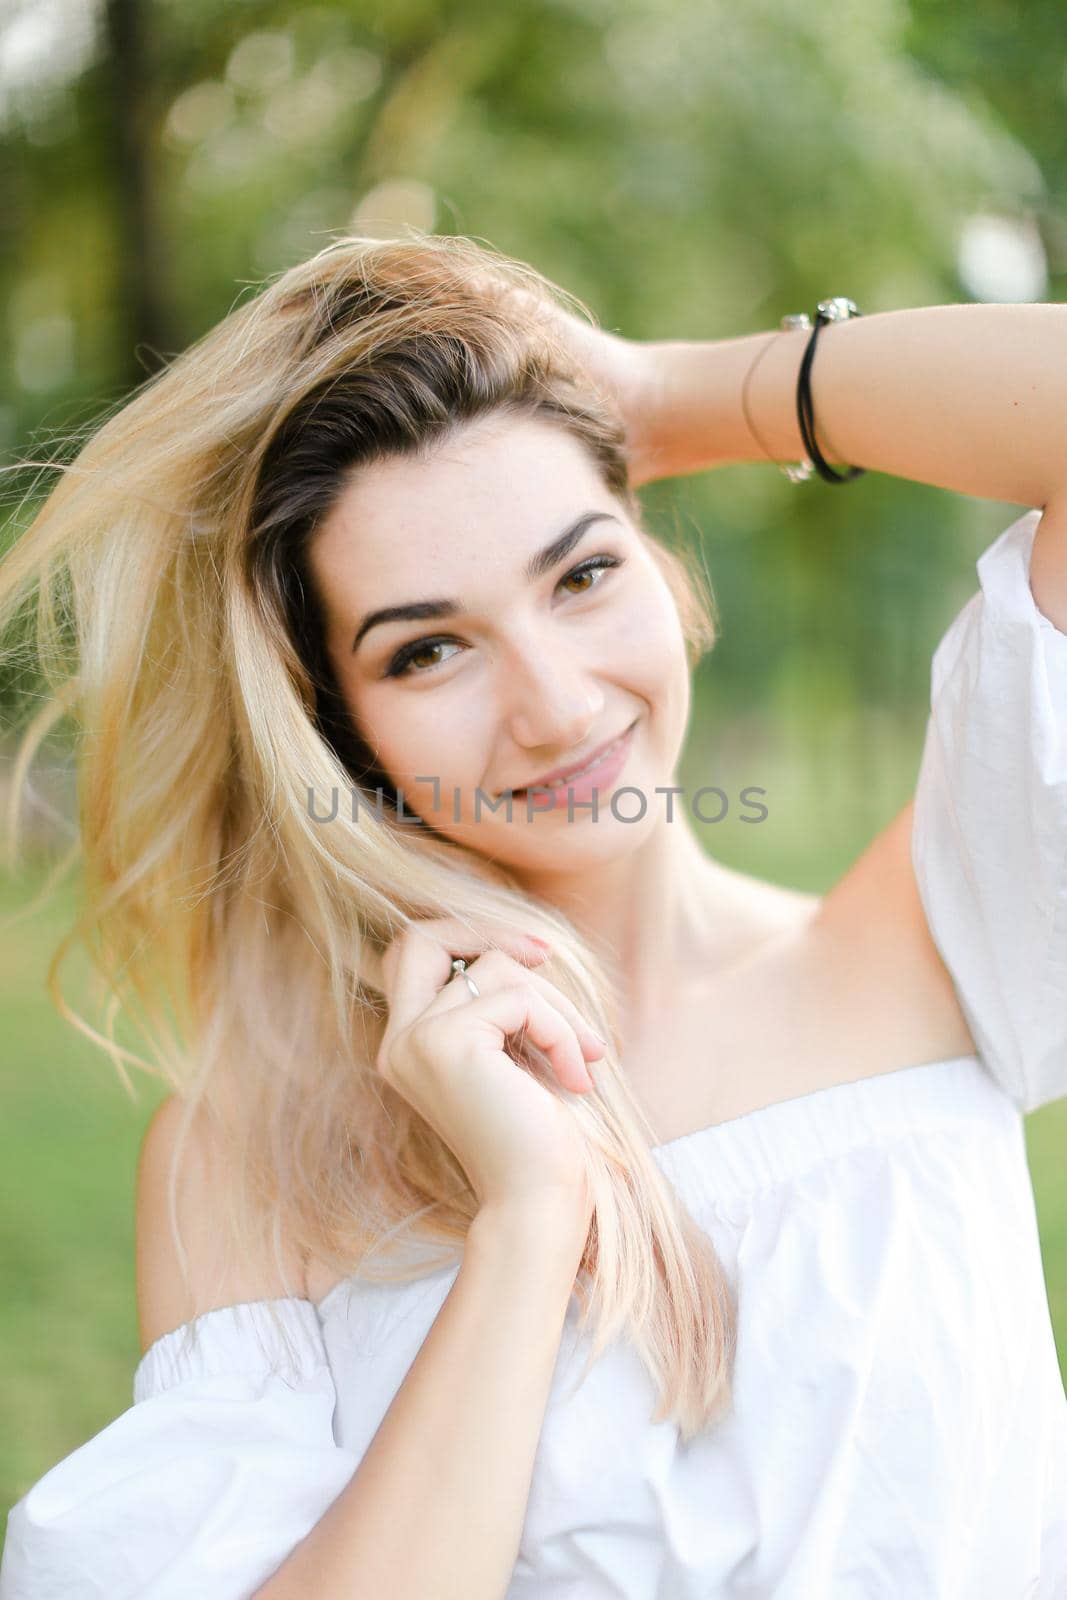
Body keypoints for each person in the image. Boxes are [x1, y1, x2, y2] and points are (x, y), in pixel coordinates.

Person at [0, 230, 1065, 1598]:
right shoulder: (253, 1160)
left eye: (582, 575)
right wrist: (526, 1219)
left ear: (668, 574)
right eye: (428, 648)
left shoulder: (934, 940)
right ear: (346, 731)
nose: (556, 704)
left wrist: (680, 396)